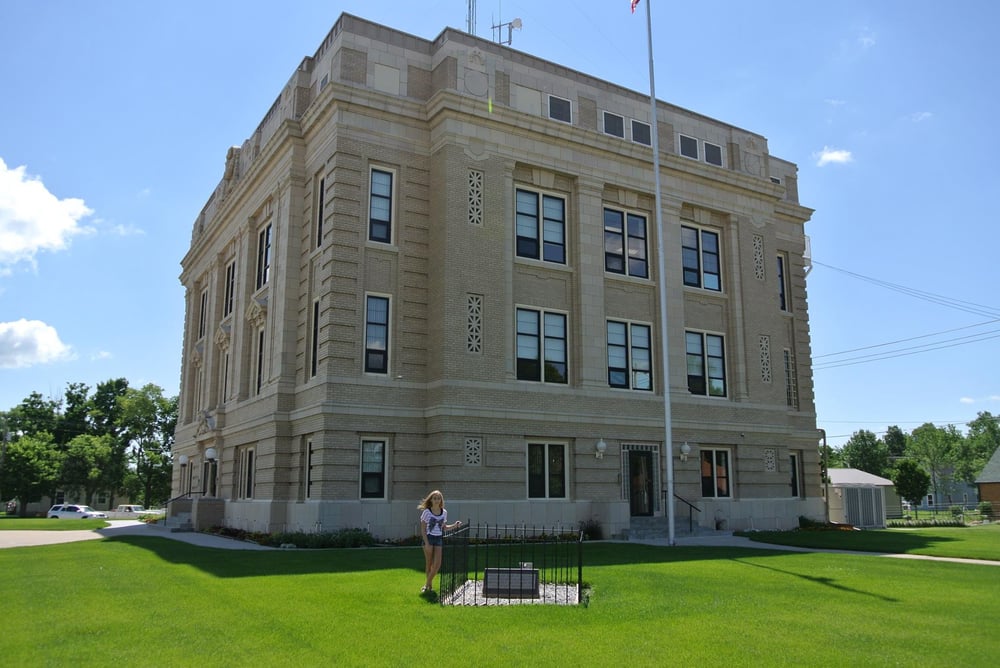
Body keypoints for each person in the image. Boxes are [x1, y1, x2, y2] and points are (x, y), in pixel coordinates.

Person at [418, 489, 461, 594]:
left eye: (438, 498)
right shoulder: (427, 512)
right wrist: (426, 543)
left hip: (438, 539)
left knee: (437, 564)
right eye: (435, 498)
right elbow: (423, 529)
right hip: (429, 538)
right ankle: (429, 587)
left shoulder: (444, 512)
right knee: (429, 563)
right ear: (431, 500)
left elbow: (444, 527)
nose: (437, 500)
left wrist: (455, 525)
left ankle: (426, 584)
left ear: (441, 500)